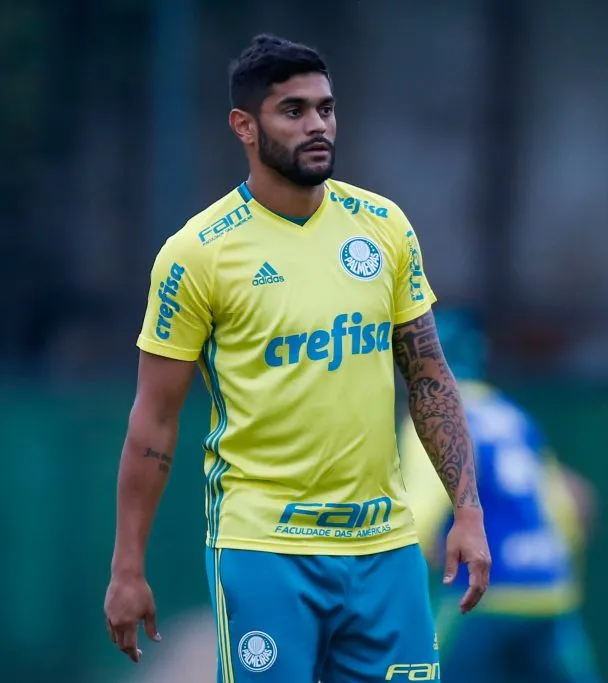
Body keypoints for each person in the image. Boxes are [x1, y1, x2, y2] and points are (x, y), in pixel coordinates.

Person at [103, 34, 491, 683]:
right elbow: (154, 421)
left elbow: (428, 374)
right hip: (265, 550)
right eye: (294, 110)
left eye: (325, 108)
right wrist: (127, 566)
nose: (317, 124)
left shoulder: (384, 226)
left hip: (384, 548)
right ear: (245, 126)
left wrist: (468, 509)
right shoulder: (197, 252)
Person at [399, 309, 603, 683]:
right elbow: (569, 506)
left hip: (483, 599)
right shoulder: (511, 414)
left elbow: (419, 513)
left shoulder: (435, 412)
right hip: (548, 591)